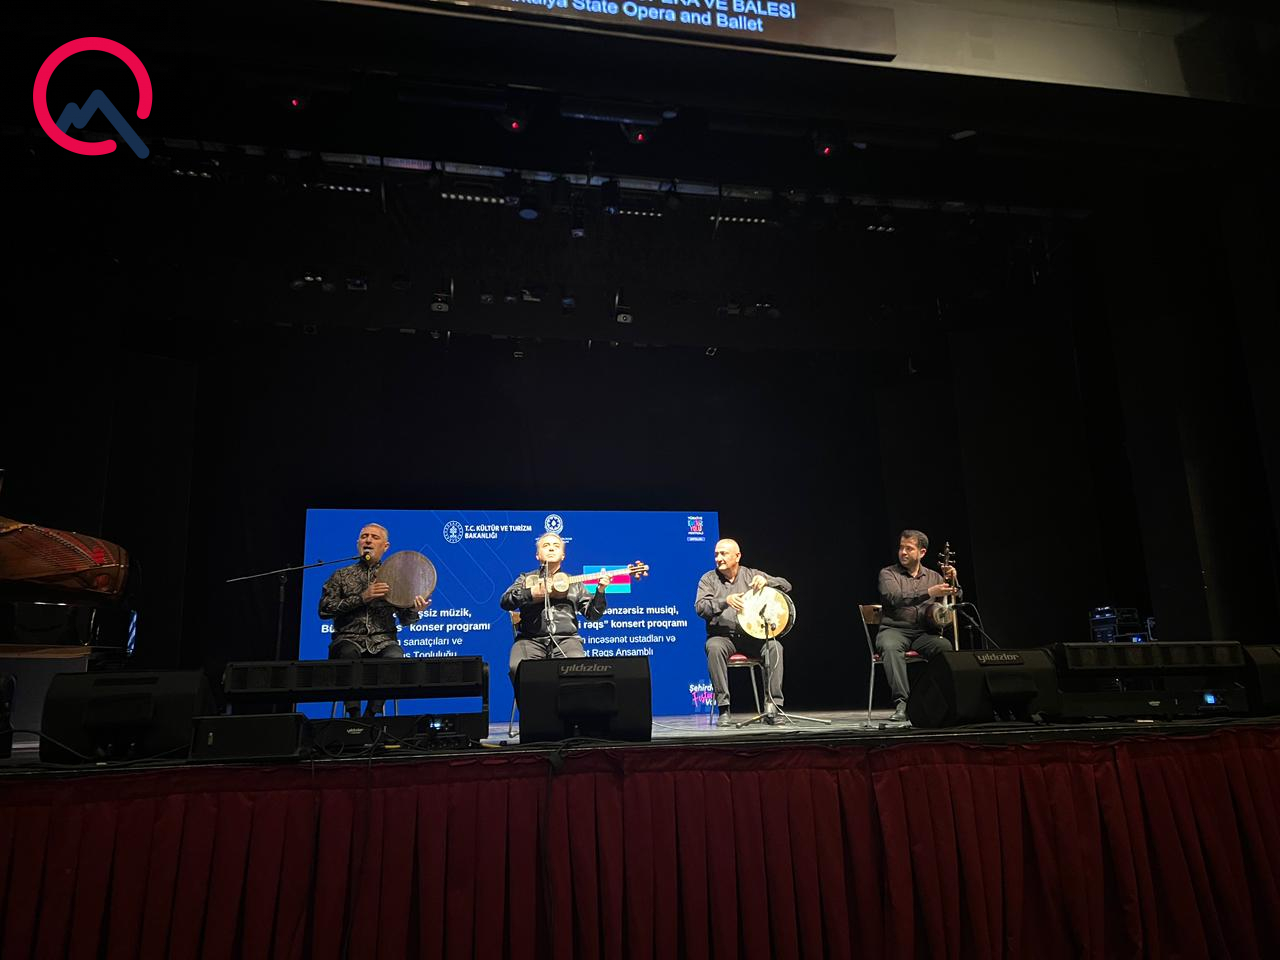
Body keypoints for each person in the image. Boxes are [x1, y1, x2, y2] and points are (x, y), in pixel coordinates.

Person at [318, 522, 430, 718]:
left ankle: (370, 716)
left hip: (383, 641)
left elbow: (406, 620)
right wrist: (363, 597)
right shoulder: (341, 575)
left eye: (374, 537)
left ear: (385, 546)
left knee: (395, 657)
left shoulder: (395, 578)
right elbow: (324, 610)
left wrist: (414, 609)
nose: (368, 540)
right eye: (364, 537)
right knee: (347, 653)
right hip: (348, 638)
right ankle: (354, 715)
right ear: (358, 544)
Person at [694, 538, 791, 725]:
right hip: (723, 637)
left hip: (752, 637)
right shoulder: (708, 579)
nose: (719, 558)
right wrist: (725, 601)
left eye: (723, 554)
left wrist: (767, 581)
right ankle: (724, 709)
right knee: (714, 648)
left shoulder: (751, 575)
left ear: (737, 556)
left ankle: (773, 708)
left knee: (774, 647)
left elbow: (786, 585)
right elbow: (700, 608)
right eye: (716, 554)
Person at [500, 532, 609, 694]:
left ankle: (569, 709)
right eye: (546, 546)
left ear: (563, 555)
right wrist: (531, 593)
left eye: (556, 546)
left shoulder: (575, 583)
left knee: (576, 668)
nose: (551, 549)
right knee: (519, 667)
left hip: (567, 640)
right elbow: (505, 601)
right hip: (530, 640)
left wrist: (600, 591)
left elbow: (592, 615)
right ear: (537, 555)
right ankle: (533, 708)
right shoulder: (525, 579)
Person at [876, 529, 960, 722]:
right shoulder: (888, 574)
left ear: (922, 552)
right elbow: (895, 597)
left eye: (909, 548)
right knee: (889, 646)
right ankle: (902, 703)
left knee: (944, 647)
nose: (903, 552)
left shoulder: (934, 576)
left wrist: (954, 579)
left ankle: (939, 702)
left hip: (923, 633)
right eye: (901, 548)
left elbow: (957, 596)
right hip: (894, 630)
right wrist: (929, 592)